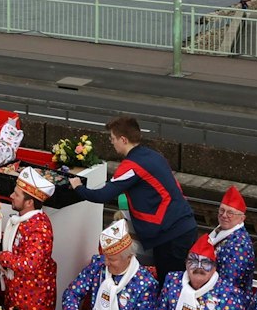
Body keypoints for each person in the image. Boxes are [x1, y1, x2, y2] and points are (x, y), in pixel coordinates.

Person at [66, 117, 198, 275]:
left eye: (113, 138)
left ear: (123, 139)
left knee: (169, 285)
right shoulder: (153, 155)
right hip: (184, 225)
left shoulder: (132, 165)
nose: (112, 142)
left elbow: (102, 195)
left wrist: (78, 187)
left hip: (170, 235)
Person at [60, 220, 158, 310]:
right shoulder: (98, 265)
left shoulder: (145, 283)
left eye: (112, 260)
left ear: (129, 257)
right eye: (106, 257)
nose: (106, 262)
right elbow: (71, 293)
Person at [0, 169, 58, 310]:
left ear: (29, 202)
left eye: (16, 194)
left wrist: (3, 257)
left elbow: (30, 264)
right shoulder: (22, 220)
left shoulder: (39, 228)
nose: (11, 196)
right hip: (16, 294)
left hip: (32, 303)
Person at [207, 186, 257, 293]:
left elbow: (229, 283)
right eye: (222, 210)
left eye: (230, 213)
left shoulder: (239, 245)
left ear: (242, 218)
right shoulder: (221, 230)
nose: (224, 215)